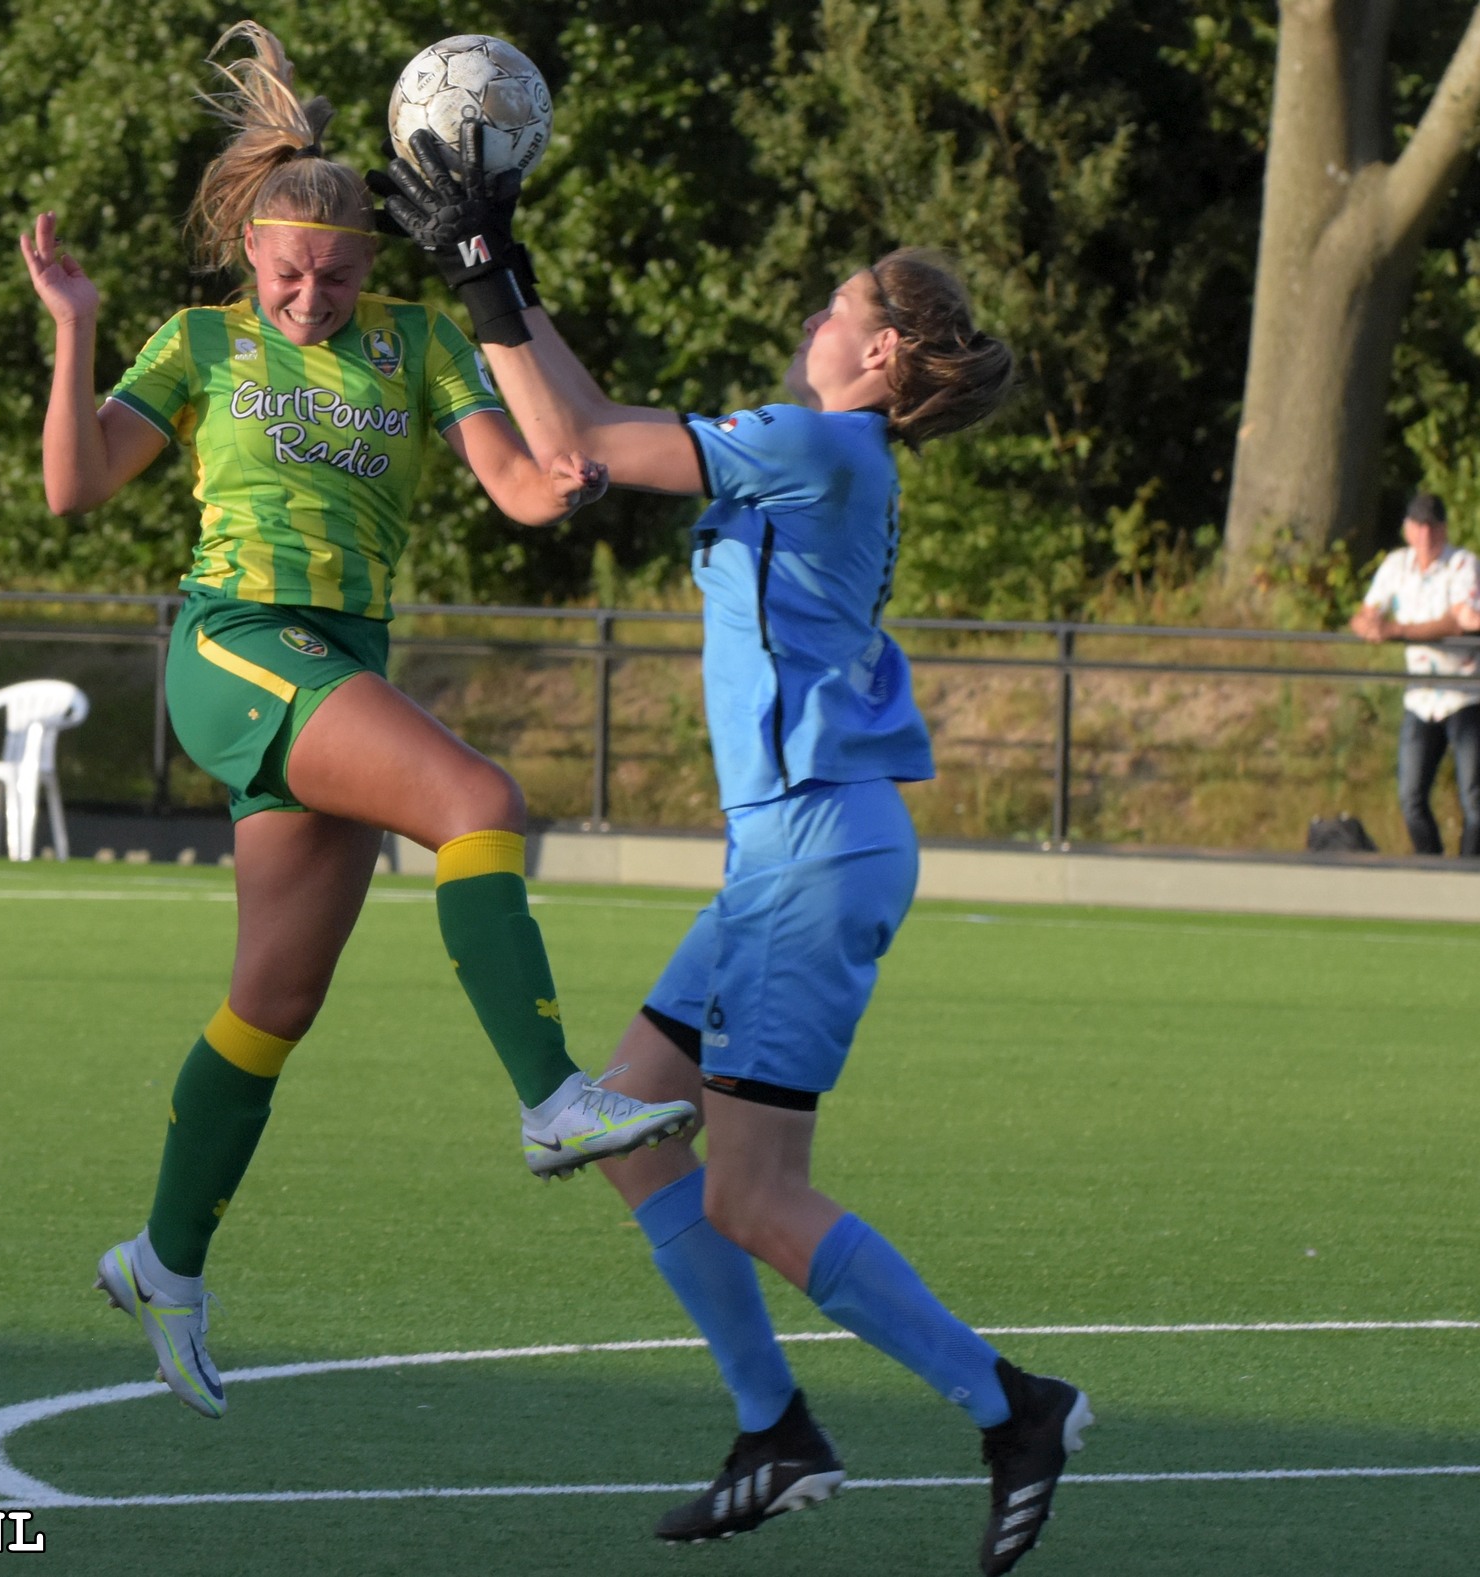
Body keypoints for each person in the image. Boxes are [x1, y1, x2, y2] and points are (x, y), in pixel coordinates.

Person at [375, 133, 1091, 1574]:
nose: (812, 322)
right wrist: (493, 269)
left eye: (834, 307)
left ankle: (1012, 1405)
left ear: (881, 349)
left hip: (812, 853)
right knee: (631, 1133)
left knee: (755, 1191)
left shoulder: (823, 441)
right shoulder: (826, 447)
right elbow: (581, 413)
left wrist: (477, 274)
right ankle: (776, 1428)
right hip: (790, 855)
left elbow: (573, 449)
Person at [18, 23, 694, 1420]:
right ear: (248, 262)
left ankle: (162, 1261)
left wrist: (498, 295)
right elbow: (76, 491)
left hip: (343, 654)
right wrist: (77, 329)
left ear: (373, 264)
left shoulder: (422, 339)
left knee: (274, 1002)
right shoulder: (199, 340)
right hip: (240, 647)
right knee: (479, 802)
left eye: (334, 273)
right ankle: (553, 1099)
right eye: (287, 275)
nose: (311, 296)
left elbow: (526, 484)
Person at [1349, 492, 1480, 857]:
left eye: (1433, 527)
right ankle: (1432, 869)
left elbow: (1456, 621)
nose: (1426, 535)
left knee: (1475, 799)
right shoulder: (1396, 565)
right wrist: (1370, 625)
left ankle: (1469, 875)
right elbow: (1364, 612)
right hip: (1421, 696)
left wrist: (1398, 630)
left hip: (1465, 693)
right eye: (1419, 526)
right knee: (1410, 796)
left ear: (1444, 529)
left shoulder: (1462, 564)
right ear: (1407, 529)